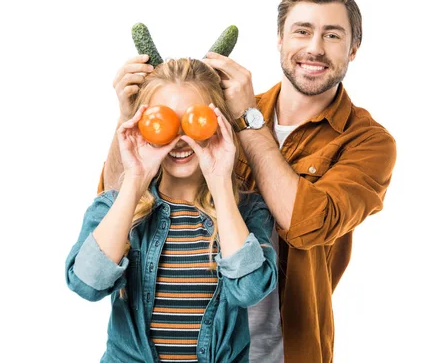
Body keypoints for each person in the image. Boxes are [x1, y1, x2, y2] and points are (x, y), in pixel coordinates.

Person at [103, 0, 396, 363]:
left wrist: (248, 122)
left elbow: (307, 224)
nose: (314, 48)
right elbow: (116, 206)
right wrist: (129, 117)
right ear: (280, 39)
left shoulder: (367, 141)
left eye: (333, 35)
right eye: (302, 31)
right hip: (179, 348)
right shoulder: (218, 112)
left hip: (281, 349)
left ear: (353, 48)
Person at [66, 58, 278, 363]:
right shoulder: (114, 207)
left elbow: (249, 289)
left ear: (220, 126)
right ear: (141, 126)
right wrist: (134, 181)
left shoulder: (247, 210)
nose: (180, 139)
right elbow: (87, 284)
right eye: (163, 121)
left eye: (195, 121)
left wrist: (220, 181)